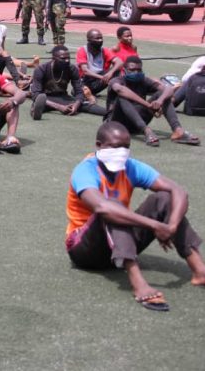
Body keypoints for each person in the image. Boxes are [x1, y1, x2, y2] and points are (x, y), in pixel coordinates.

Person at [64, 121, 205, 311]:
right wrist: (155, 226)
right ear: (99, 145)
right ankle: (138, 283)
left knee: (164, 198)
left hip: (119, 242)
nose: (121, 152)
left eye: (126, 146)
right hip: (85, 250)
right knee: (112, 208)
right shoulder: (86, 170)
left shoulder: (130, 167)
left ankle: (199, 270)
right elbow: (102, 207)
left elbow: (178, 191)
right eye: (115, 146)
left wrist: (170, 227)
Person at [106, 56, 200, 146]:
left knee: (163, 95)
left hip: (137, 123)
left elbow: (168, 90)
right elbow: (120, 90)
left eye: (139, 70)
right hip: (117, 124)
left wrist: (160, 101)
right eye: (132, 70)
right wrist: (147, 105)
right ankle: (147, 130)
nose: (136, 72)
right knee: (122, 97)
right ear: (124, 70)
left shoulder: (143, 80)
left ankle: (178, 131)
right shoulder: (116, 81)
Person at [30, 45, 106, 120]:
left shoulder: (72, 68)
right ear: (53, 59)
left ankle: (109, 113)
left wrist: (76, 105)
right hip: (46, 99)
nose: (67, 61)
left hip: (63, 98)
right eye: (63, 58)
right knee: (39, 103)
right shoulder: (41, 69)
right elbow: (35, 94)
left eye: (68, 58)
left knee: (86, 105)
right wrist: (59, 107)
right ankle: (35, 112)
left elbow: (79, 92)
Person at [76, 28, 124, 99]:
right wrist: (102, 77)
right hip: (86, 80)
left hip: (100, 79)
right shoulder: (82, 50)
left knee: (117, 71)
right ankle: (84, 91)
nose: (100, 40)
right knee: (79, 92)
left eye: (101, 38)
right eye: (97, 38)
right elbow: (85, 71)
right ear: (89, 40)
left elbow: (120, 62)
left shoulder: (104, 50)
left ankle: (115, 92)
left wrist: (110, 73)